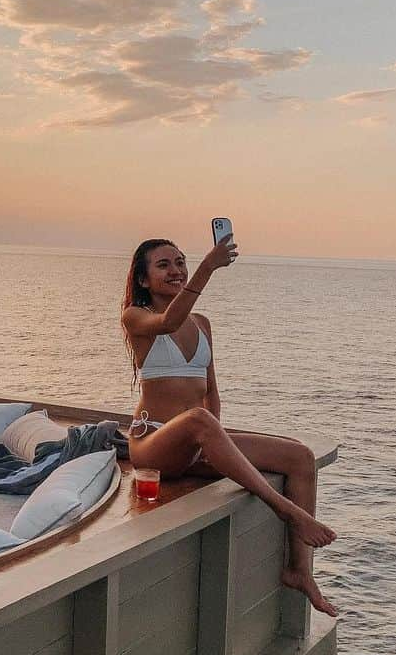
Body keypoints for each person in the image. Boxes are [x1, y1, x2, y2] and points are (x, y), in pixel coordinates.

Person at [121, 236, 338, 616]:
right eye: (163, 265)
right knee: (199, 420)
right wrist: (209, 267)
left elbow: (211, 395)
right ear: (143, 280)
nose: (176, 270)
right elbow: (169, 320)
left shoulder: (202, 324)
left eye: (181, 262)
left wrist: (213, 446)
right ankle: (286, 509)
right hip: (154, 442)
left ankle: (299, 571)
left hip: (196, 440)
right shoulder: (135, 317)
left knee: (300, 456)